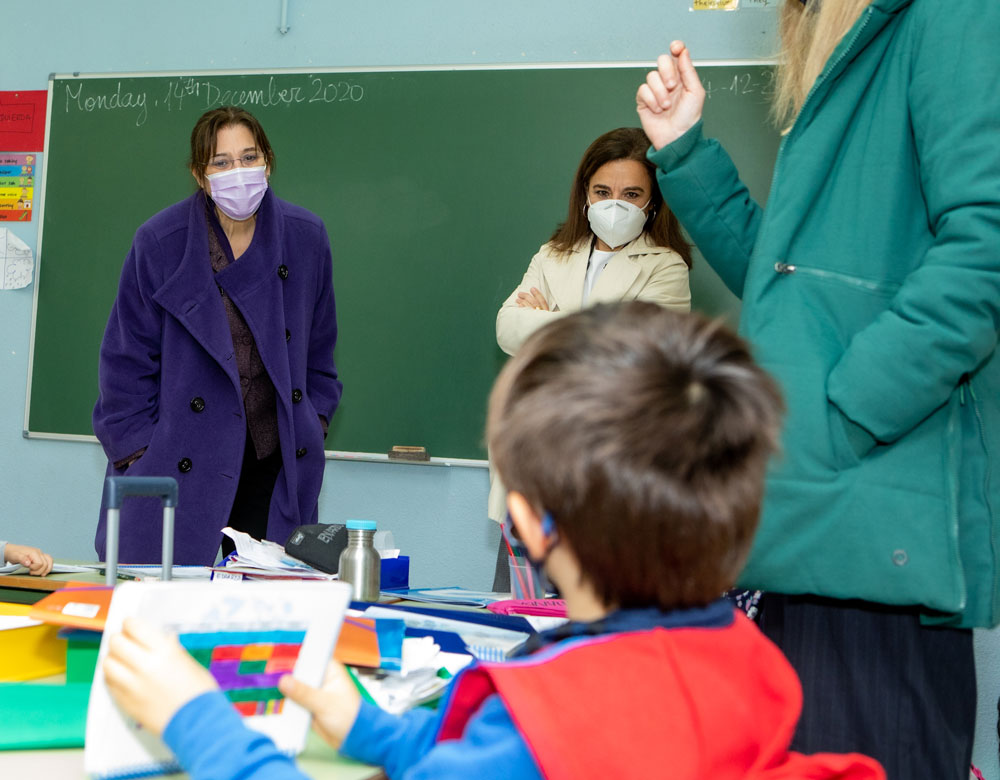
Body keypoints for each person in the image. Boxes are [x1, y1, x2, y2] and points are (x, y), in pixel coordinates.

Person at [101, 303, 885, 780]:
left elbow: (519, 760)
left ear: (531, 520)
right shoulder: (743, 654)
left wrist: (193, 716)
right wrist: (375, 731)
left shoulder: (551, 720)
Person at [635, 1, 1000, 776]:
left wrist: (842, 417)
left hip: (865, 521)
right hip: (817, 518)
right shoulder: (856, 50)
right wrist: (685, 156)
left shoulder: (947, 16)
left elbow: (987, 250)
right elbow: (788, 290)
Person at [92, 106, 342, 566]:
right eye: (221, 162)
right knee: (167, 617)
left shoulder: (306, 237)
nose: (238, 172)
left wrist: (313, 423)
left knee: (263, 621)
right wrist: (140, 455)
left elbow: (320, 354)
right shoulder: (161, 242)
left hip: (272, 470)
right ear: (199, 174)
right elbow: (124, 363)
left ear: (268, 160)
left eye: (249, 157)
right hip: (177, 467)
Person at [489, 126, 693, 587]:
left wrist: (550, 321)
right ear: (585, 193)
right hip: (532, 466)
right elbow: (507, 329)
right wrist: (592, 326)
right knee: (521, 622)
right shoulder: (552, 254)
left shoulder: (667, 267)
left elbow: (632, 354)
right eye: (603, 191)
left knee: (593, 628)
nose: (614, 203)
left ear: (653, 202)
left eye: (631, 193)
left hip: (612, 475)